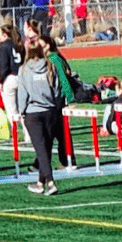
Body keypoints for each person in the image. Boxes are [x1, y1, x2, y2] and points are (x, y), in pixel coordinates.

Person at [17, 43, 63, 195]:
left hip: (33, 113)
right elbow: (57, 90)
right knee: (46, 148)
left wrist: (21, 110)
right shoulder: (50, 67)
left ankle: (50, 181)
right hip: (50, 111)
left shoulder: (24, 70)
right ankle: (40, 182)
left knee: (40, 149)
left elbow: (22, 93)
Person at [39, 35, 77, 170]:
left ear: (48, 46)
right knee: (51, 131)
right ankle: (64, 160)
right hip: (48, 99)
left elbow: (63, 78)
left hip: (57, 100)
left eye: (41, 46)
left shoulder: (55, 59)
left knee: (57, 132)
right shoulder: (44, 59)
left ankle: (67, 160)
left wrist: (70, 98)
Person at [0, 23, 25, 119]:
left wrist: (0, 80)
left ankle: (15, 128)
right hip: (21, 77)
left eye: (0, 35)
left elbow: (4, 66)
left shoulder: (4, 47)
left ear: (5, 34)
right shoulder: (19, 45)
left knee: (12, 112)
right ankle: (26, 128)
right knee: (23, 110)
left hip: (10, 78)